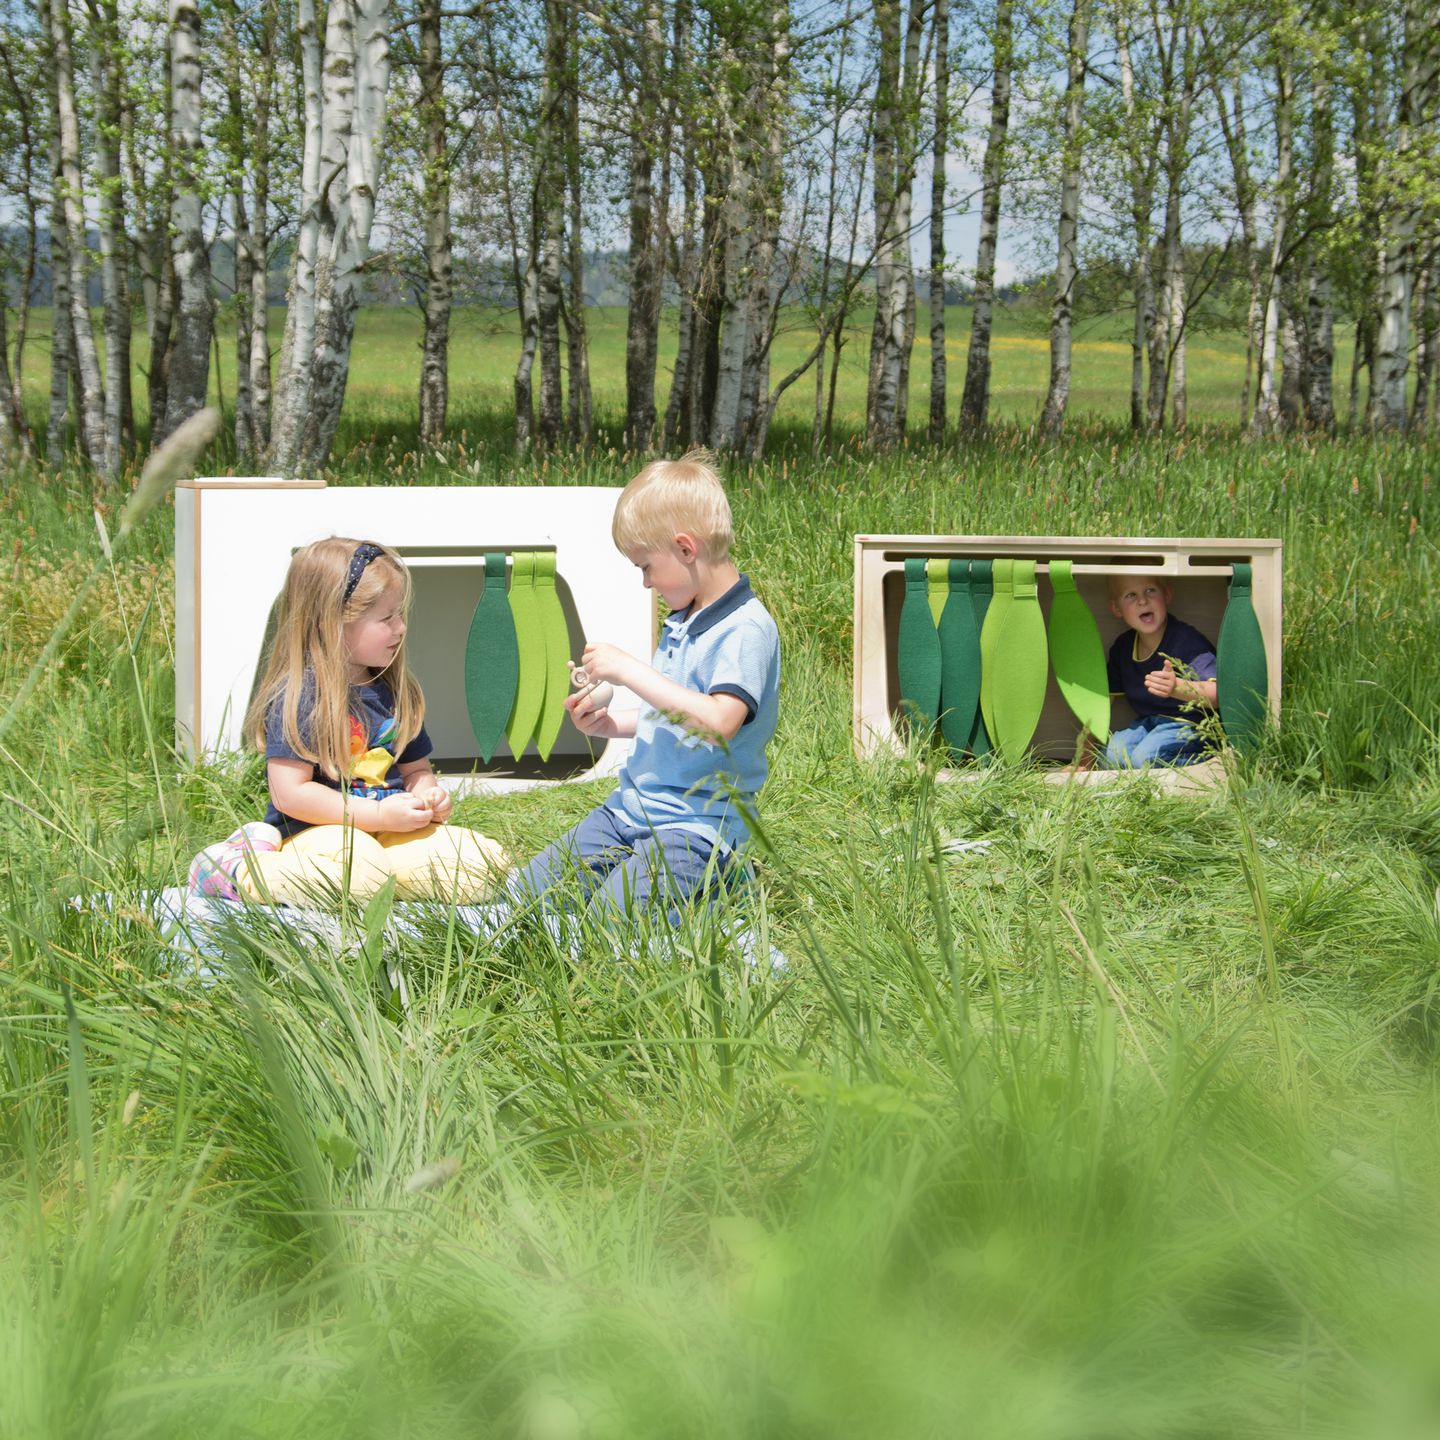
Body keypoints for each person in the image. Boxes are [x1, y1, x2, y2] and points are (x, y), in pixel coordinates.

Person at [513, 452, 780, 923]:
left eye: (645, 567)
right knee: (527, 896)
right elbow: (678, 715)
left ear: (685, 548)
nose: (645, 584)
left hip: (697, 830)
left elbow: (718, 722)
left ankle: (721, 891)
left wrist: (631, 671)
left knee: (606, 925)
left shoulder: (745, 630)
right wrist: (610, 724)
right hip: (630, 812)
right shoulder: (684, 618)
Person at [188, 537, 509, 905]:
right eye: (387, 618)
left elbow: (417, 769)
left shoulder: (392, 690)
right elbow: (290, 794)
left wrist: (426, 796)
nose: (402, 627)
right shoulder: (300, 697)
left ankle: (380, 881)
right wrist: (377, 814)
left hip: (384, 833)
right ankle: (241, 871)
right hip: (316, 834)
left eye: (400, 614)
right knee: (362, 877)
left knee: (481, 867)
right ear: (331, 623)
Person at [1101, 573, 1218, 769]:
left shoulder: (1186, 641)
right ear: (1116, 608)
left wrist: (1178, 688)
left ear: (1167, 594)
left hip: (1190, 725)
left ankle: (1211, 764)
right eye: (1130, 595)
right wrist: (1084, 756)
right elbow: (1103, 701)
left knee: (1145, 758)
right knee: (1112, 756)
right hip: (1149, 724)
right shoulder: (1123, 647)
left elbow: (1219, 695)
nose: (1142, 601)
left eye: (1150, 590)